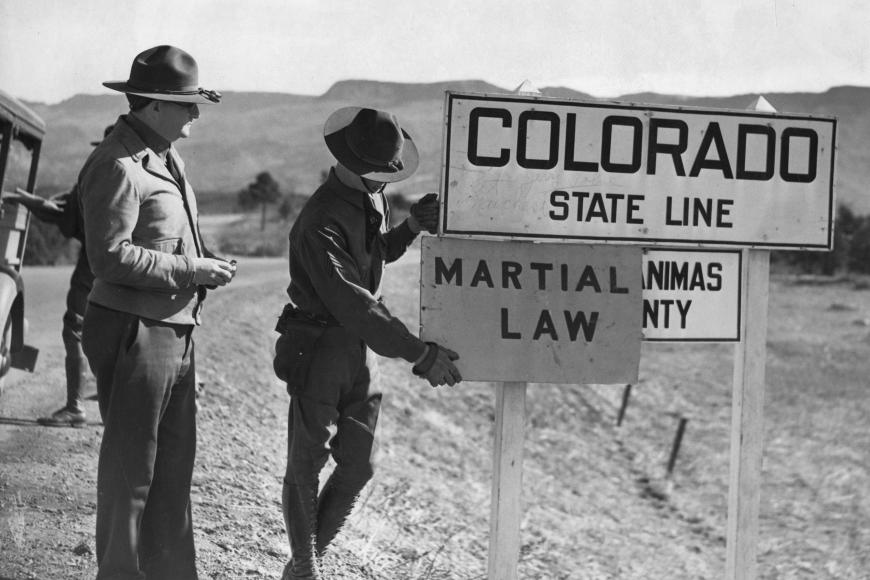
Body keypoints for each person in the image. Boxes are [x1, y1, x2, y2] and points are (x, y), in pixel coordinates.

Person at [273, 106, 462, 579]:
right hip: (318, 347)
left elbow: (374, 256)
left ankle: (301, 565)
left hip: (359, 349)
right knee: (306, 462)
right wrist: (420, 354)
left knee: (359, 464)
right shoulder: (320, 219)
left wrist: (412, 228)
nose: (387, 179)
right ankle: (307, 567)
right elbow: (353, 301)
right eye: (382, 172)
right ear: (358, 166)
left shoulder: (370, 197)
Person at [78, 45, 235, 580]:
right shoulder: (117, 164)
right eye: (187, 104)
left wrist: (202, 260)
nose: (195, 113)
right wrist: (191, 270)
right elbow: (109, 256)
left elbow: (166, 239)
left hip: (173, 331)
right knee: (131, 476)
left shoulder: (166, 158)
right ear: (153, 107)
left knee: (171, 472)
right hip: (134, 331)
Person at [5, 125, 112, 427]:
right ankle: (118, 408)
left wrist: (20, 198)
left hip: (96, 263)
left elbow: (55, 210)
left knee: (74, 330)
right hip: (133, 268)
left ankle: (75, 406)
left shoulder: (98, 176)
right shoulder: (142, 174)